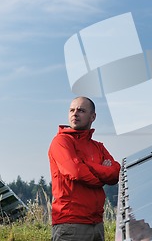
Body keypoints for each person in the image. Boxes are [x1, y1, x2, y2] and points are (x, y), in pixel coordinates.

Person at [49, 96, 121, 241]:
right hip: (70, 224)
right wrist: (101, 174)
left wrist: (85, 164)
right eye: (71, 110)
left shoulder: (98, 146)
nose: (75, 113)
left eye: (81, 110)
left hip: (96, 224)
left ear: (92, 117)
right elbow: (76, 172)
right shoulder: (61, 142)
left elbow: (115, 173)